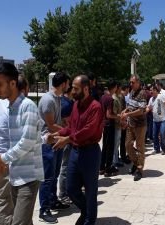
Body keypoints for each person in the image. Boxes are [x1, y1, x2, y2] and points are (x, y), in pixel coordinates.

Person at [49, 75, 104, 225]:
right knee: (71, 188)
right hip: (75, 151)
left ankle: (89, 220)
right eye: (72, 87)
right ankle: (86, 210)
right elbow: (72, 127)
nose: (72, 91)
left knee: (91, 191)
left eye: (75, 88)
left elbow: (88, 130)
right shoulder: (75, 105)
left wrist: (66, 140)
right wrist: (58, 134)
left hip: (90, 153)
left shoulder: (95, 107)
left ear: (86, 89)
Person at [0, 62, 44, 225]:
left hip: (29, 177)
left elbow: (27, 141)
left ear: (12, 83)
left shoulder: (27, 106)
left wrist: (3, 158)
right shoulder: (11, 107)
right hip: (15, 175)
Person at [38, 72, 70, 223]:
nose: (69, 87)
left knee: (55, 175)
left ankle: (52, 200)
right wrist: (69, 132)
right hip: (48, 144)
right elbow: (50, 126)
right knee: (47, 177)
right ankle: (44, 210)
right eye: (68, 84)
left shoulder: (57, 98)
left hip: (57, 142)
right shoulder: (48, 100)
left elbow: (58, 121)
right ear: (63, 84)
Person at [121, 75, 147, 181]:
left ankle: (139, 170)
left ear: (138, 82)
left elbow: (140, 110)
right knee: (128, 145)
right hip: (131, 124)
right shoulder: (131, 92)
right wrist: (125, 110)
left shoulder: (142, 93)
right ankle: (136, 163)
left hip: (140, 125)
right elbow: (130, 105)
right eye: (130, 82)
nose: (130, 84)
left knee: (140, 147)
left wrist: (128, 115)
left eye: (132, 82)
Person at [100, 80, 120, 177]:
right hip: (109, 124)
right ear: (114, 87)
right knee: (110, 147)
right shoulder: (110, 99)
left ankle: (101, 167)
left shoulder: (103, 97)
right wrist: (118, 116)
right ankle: (108, 168)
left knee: (104, 146)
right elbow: (109, 115)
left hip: (104, 124)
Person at [147, 86, 165, 154]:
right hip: (155, 120)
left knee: (162, 134)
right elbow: (148, 108)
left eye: (152, 90)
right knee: (155, 135)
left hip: (163, 120)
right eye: (150, 90)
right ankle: (157, 148)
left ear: (155, 90)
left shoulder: (161, 96)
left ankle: (163, 148)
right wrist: (143, 112)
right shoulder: (151, 99)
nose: (151, 92)